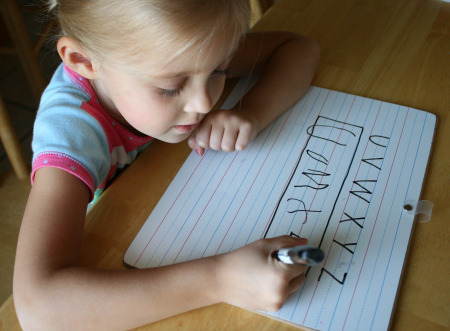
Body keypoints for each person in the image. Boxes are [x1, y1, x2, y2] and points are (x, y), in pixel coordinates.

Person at [13, 0, 320, 329]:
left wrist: (252, 112)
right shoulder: (70, 134)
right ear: (84, 61)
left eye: (220, 70)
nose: (204, 103)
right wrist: (221, 280)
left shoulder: (181, 56)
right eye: (170, 88)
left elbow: (298, 48)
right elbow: (39, 309)